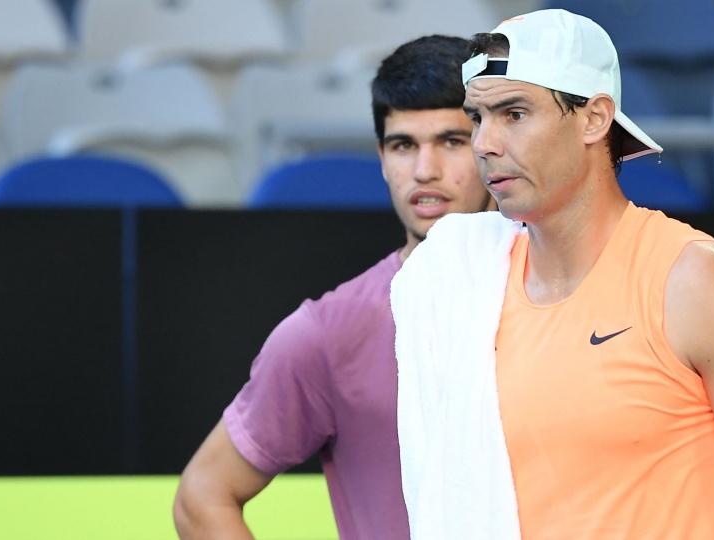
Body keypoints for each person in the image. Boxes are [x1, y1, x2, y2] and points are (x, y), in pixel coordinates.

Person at [391, 9, 714, 539]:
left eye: (513, 114)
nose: (484, 143)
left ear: (594, 118)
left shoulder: (696, 280)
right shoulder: (461, 288)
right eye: (478, 117)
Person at [172, 35, 494, 539]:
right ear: (383, 161)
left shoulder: (569, 298)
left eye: (452, 141)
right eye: (403, 145)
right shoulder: (332, 331)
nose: (425, 171)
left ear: (493, 146)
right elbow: (202, 496)